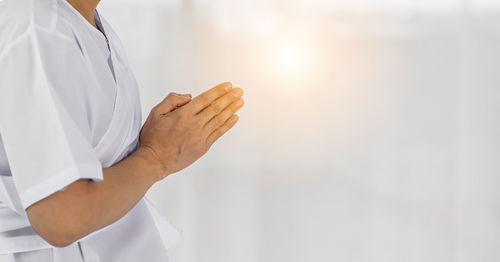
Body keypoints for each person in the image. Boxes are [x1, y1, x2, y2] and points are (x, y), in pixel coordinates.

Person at [0, 0, 245, 260]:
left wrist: (151, 145)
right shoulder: (38, 27)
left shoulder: (82, 22)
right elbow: (63, 216)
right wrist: (156, 157)